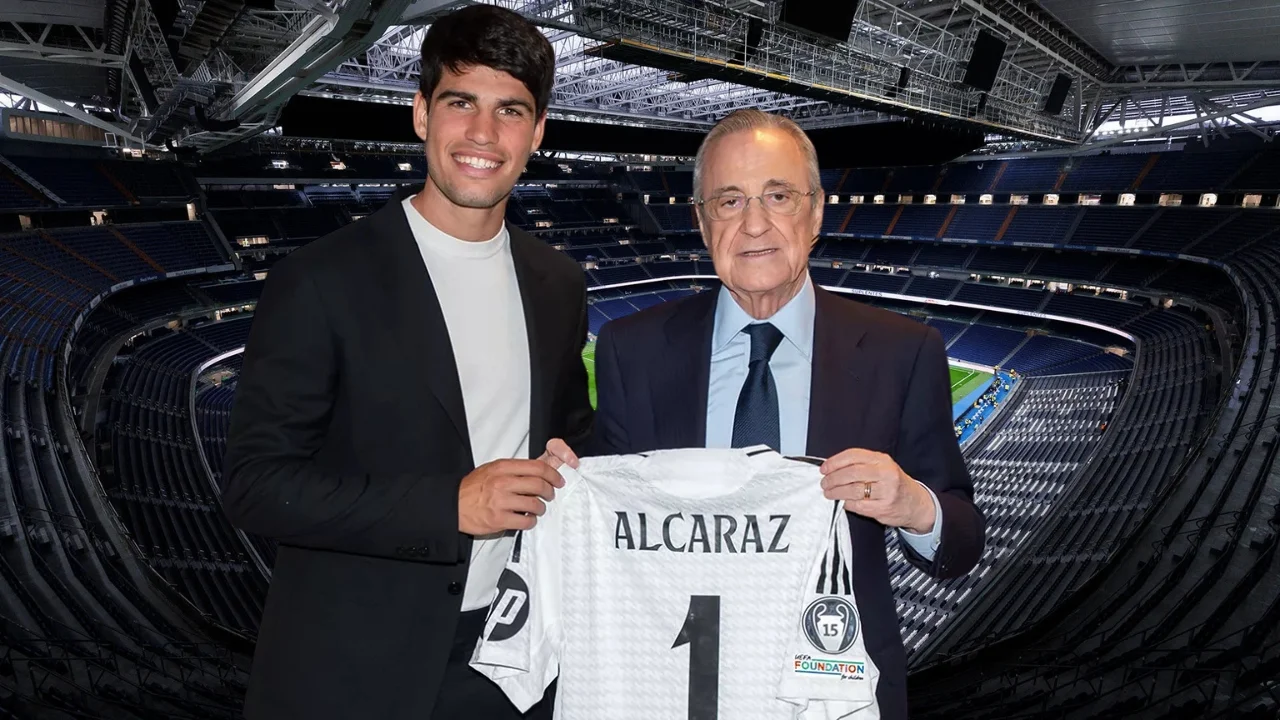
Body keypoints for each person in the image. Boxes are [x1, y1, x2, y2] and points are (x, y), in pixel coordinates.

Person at [220, 6, 590, 719]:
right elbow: (256, 486)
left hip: (511, 661)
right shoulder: (320, 279)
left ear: (537, 133)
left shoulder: (558, 282)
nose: (484, 135)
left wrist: (575, 461)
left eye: (510, 111)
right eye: (461, 103)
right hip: (356, 668)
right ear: (421, 114)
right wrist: (448, 507)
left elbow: (571, 428)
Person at [583, 109, 986, 719]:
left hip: (832, 691)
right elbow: (605, 536)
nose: (754, 224)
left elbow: (963, 540)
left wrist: (912, 504)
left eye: (778, 196)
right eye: (728, 201)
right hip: (672, 686)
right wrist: (564, 491)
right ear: (700, 219)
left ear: (816, 211)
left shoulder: (903, 352)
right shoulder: (630, 351)